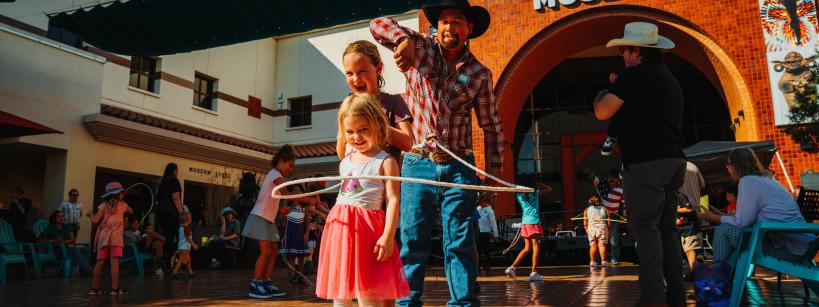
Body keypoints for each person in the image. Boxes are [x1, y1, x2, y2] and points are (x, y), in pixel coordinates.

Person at [371, 0, 504, 304]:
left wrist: (492, 175)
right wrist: (402, 40)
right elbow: (377, 23)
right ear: (437, 25)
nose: (449, 27)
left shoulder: (480, 73)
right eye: (444, 20)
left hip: (460, 166)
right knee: (412, 239)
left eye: (457, 22)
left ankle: (463, 303)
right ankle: (408, 301)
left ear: (469, 28)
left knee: (460, 241)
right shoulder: (419, 48)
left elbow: (492, 126)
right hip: (419, 162)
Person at [593, 22, 687, 306]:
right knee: (667, 230)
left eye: (624, 49)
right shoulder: (669, 78)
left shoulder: (634, 75)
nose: (622, 54)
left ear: (637, 51)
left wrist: (604, 90)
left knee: (645, 230)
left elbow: (602, 111)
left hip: (646, 162)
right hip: (674, 159)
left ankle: (652, 299)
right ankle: (675, 298)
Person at [315, 93, 409, 307]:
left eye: (362, 129)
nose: (356, 137)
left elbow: (393, 200)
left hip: (368, 232)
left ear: (376, 124)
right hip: (341, 231)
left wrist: (388, 235)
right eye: (350, 131)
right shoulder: (345, 162)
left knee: (369, 290)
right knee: (341, 290)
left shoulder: (386, 162)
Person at [698, 147, 815, 267]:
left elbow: (741, 222)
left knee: (723, 231)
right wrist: (718, 214)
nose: (728, 168)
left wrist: (713, 218)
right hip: (804, 244)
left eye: (728, 165)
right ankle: (724, 277)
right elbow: (747, 218)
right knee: (733, 239)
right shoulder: (768, 179)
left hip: (789, 250)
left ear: (735, 165)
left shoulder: (747, 181)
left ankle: (718, 274)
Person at [242, 144, 323, 299]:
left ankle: (266, 282)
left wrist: (280, 212)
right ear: (280, 161)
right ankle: (255, 283)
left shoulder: (277, 178)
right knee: (266, 251)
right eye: (289, 165)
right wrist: (309, 200)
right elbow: (286, 194)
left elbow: (271, 199)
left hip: (269, 219)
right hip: (260, 217)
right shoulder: (274, 174)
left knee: (273, 252)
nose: (290, 169)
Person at [337, 40, 414, 162]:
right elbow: (342, 154)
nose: (356, 78)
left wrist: (377, 123)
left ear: (378, 69)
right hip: (357, 177)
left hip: (384, 177)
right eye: (349, 73)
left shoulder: (393, 102)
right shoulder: (348, 105)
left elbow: (408, 143)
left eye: (362, 71)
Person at [87, 182, 133, 295]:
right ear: (118, 194)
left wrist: (90, 214)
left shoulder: (103, 205)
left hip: (103, 238)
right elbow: (131, 211)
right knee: (114, 263)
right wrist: (123, 201)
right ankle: (115, 289)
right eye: (121, 192)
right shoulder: (122, 205)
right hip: (116, 238)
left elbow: (95, 221)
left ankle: (95, 289)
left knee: (100, 262)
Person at [505, 184, 551, 281]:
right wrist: (539, 184)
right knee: (536, 246)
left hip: (525, 223)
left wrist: (516, 187)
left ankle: (511, 268)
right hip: (533, 222)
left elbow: (512, 189)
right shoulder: (534, 193)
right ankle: (534, 273)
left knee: (527, 248)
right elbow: (549, 189)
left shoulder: (519, 196)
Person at [279, 184, 311, 285]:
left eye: (299, 190)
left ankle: (300, 276)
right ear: (291, 192)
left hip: (301, 233)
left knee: (301, 256)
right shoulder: (287, 205)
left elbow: (307, 221)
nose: (297, 192)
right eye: (295, 190)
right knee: (291, 256)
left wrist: (306, 233)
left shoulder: (305, 207)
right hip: (290, 233)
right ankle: (292, 276)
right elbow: (281, 219)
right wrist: (283, 215)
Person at [157, 163, 184, 265]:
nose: (178, 173)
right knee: (178, 237)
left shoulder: (162, 182)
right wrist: (181, 213)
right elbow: (176, 198)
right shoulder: (174, 181)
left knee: (167, 238)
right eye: (177, 170)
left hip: (161, 213)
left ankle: (167, 262)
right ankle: (174, 263)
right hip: (171, 213)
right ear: (174, 171)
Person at [675, 192, 701, 274]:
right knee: (686, 250)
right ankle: (693, 271)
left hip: (689, 226)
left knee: (690, 250)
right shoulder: (667, 197)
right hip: (679, 228)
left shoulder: (680, 196)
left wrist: (672, 209)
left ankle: (694, 272)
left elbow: (688, 208)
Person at [584, 196, 609, 267]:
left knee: (593, 246)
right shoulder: (604, 209)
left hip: (591, 229)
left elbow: (585, 221)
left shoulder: (587, 210)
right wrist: (608, 229)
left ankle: (592, 262)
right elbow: (608, 221)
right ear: (600, 201)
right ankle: (603, 262)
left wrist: (586, 229)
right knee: (602, 245)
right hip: (602, 228)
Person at [476, 191, 498, 271]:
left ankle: (484, 266)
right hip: (479, 233)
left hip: (484, 233)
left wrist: (495, 234)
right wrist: (496, 234)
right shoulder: (478, 209)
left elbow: (493, 222)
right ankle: (481, 266)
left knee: (484, 250)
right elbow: (493, 222)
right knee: (482, 250)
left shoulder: (489, 210)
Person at [172, 211, 198, 279]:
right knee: (181, 260)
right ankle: (174, 273)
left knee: (188, 260)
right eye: (190, 218)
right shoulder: (186, 228)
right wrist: (194, 244)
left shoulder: (181, 227)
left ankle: (190, 272)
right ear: (187, 219)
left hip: (182, 247)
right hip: (185, 248)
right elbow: (188, 238)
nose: (191, 219)